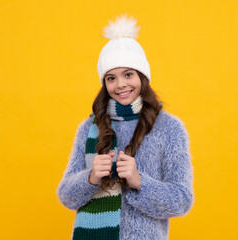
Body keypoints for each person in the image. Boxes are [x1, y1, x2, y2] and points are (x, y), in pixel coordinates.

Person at [56, 14, 194, 240]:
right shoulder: (89, 127)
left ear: (142, 77)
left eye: (128, 74)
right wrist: (90, 178)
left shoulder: (169, 128)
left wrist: (139, 181)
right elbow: (66, 195)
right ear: (104, 83)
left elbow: (182, 199)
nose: (120, 84)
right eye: (111, 78)